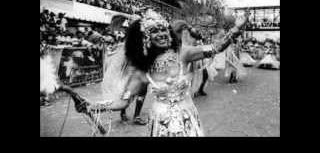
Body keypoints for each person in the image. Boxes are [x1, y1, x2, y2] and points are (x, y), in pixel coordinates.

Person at [64, 9, 247, 136]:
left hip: (187, 117)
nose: (162, 34)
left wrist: (237, 28)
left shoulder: (183, 54)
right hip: (161, 123)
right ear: (145, 40)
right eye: (154, 31)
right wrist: (93, 106)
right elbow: (122, 102)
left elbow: (216, 48)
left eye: (164, 29)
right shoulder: (142, 71)